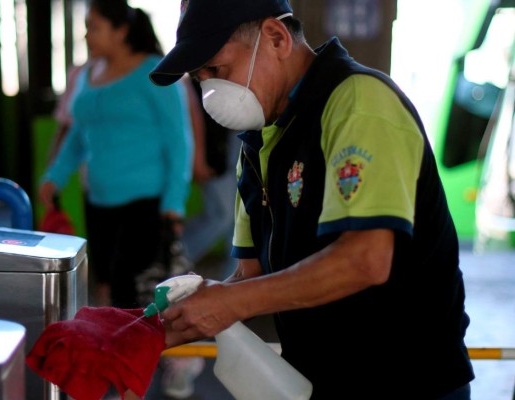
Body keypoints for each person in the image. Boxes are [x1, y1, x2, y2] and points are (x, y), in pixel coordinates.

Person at [148, 0, 475, 399]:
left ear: (276, 37)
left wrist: (230, 300)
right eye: (200, 79)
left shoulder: (358, 103)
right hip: (316, 381)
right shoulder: (258, 141)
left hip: (407, 382)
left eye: (217, 70)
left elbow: (365, 259)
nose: (211, 92)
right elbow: (249, 277)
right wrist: (155, 327)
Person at [39, 0, 193, 313]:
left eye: (94, 28)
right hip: (97, 201)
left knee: (130, 290)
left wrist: (173, 204)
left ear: (121, 31)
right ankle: (117, 352)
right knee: (105, 285)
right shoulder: (89, 73)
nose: (87, 36)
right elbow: (79, 137)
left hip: (144, 204)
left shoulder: (155, 72)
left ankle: (139, 357)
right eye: (86, 28)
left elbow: (179, 142)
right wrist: (54, 177)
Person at [182, 77, 240, 279]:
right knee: (222, 216)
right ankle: (173, 259)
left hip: (240, 134)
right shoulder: (200, 77)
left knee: (240, 218)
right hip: (221, 142)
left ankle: (233, 283)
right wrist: (198, 155)